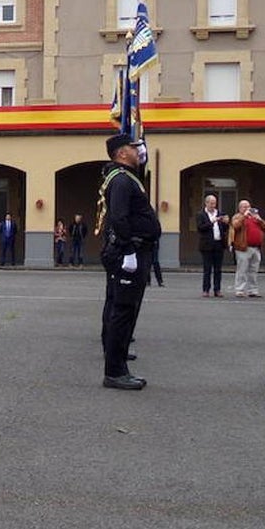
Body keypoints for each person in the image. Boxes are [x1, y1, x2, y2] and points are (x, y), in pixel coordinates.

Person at [98, 133, 161, 390]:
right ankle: (114, 372)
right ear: (122, 153)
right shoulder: (122, 180)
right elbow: (119, 218)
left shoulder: (126, 177)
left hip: (134, 248)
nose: (139, 152)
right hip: (128, 250)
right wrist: (128, 251)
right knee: (122, 311)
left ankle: (120, 363)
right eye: (135, 148)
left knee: (125, 309)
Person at [229, 199, 265, 298]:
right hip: (243, 248)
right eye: (245, 207)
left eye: (248, 206)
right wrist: (244, 216)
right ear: (240, 208)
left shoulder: (255, 218)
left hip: (256, 248)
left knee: (253, 270)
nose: (247, 208)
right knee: (242, 269)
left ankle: (253, 290)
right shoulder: (238, 217)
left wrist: (260, 220)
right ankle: (240, 290)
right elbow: (235, 225)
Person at [195, 194, 230, 297]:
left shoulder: (220, 213)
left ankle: (217, 290)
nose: (213, 205)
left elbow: (224, 228)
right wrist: (212, 221)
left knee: (218, 269)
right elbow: (200, 228)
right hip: (206, 245)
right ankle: (206, 290)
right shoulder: (201, 214)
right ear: (206, 203)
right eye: (211, 203)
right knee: (207, 269)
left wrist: (226, 222)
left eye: (214, 203)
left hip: (219, 244)